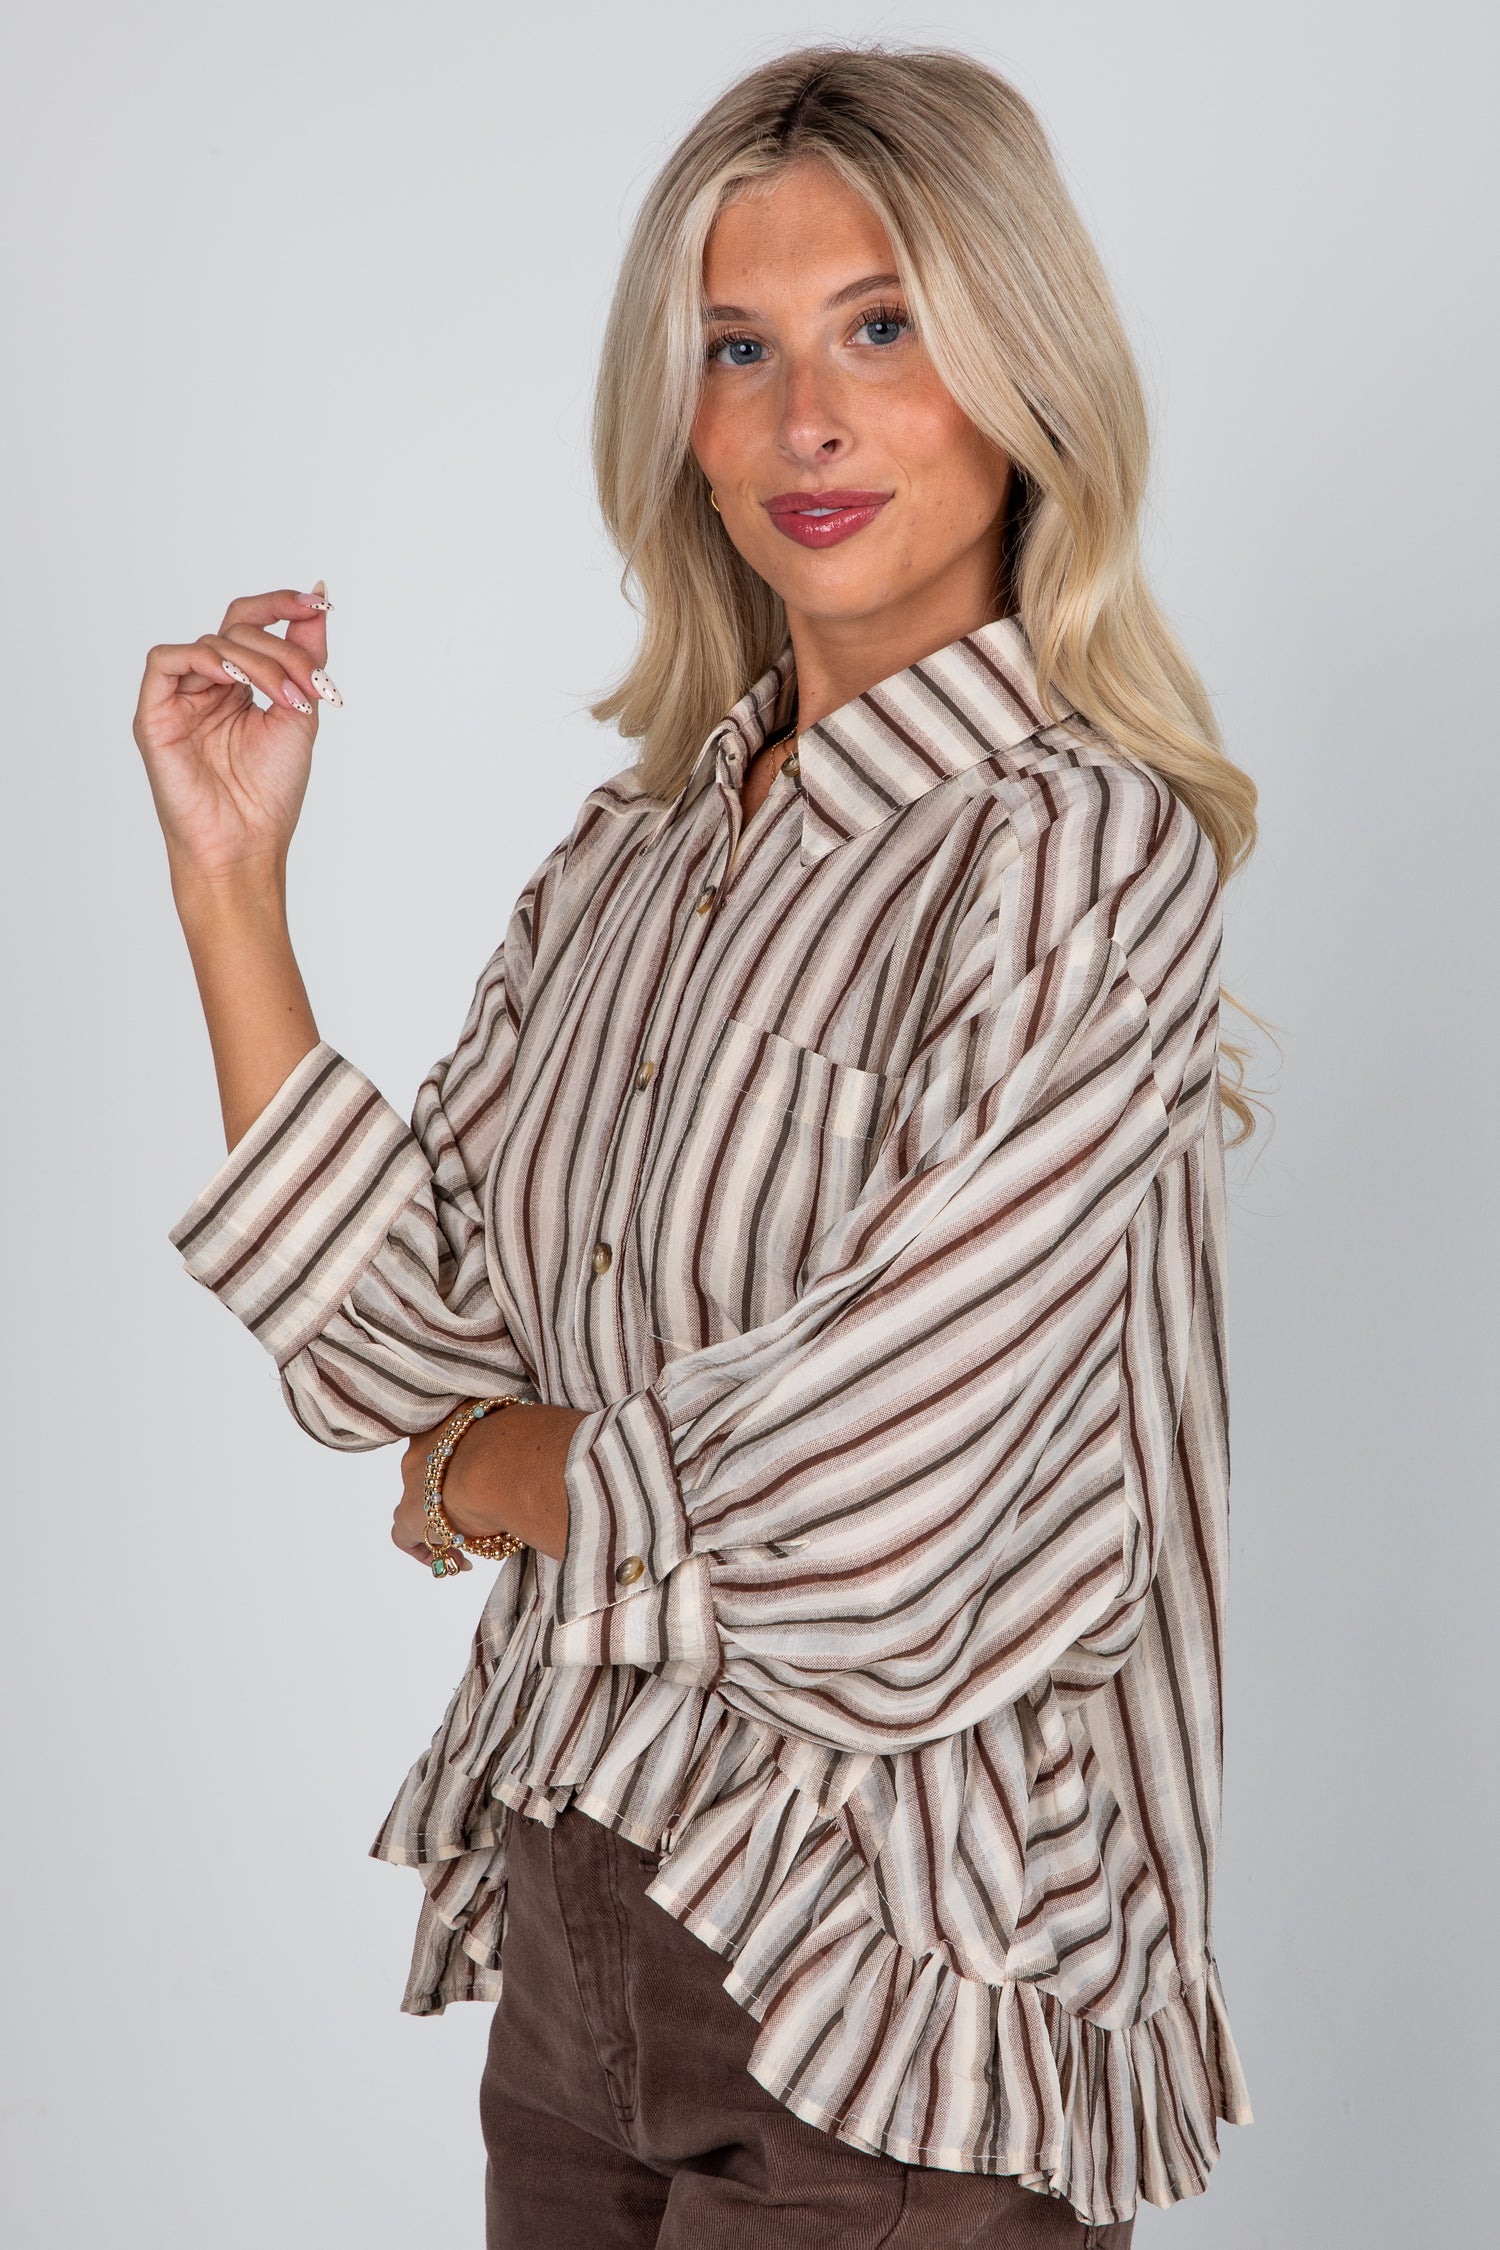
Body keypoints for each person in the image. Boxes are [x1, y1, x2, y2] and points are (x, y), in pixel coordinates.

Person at [134, 43, 1258, 2250]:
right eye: (738, 349)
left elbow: (872, 1505)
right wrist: (231, 895)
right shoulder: (640, 852)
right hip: (578, 1942)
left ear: (1022, 373)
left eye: (886, 329)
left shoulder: (1075, 855)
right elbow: (404, 1337)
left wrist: (498, 1479)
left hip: (903, 1990)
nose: (805, 421)